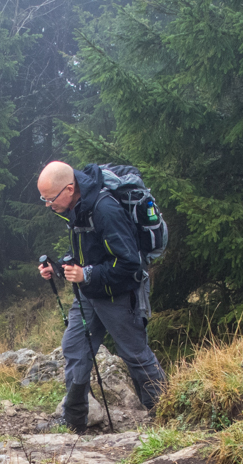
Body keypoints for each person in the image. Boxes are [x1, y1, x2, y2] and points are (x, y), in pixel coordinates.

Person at [37, 160, 166, 434]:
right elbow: (89, 254)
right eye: (43, 199)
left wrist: (87, 275)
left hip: (120, 295)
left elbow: (130, 264)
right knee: (74, 348)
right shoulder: (76, 207)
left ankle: (167, 413)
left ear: (69, 189)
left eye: (50, 199)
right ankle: (73, 421)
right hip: (90, 294)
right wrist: (60, 268)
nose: (48, 206)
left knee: (135, 354)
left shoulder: (105, 209)